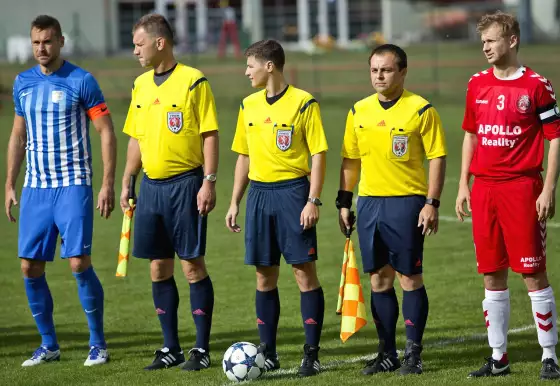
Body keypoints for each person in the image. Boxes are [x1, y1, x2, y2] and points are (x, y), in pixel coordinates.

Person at [5, 15, 117, 367]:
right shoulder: (22, 83)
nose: (42, 48)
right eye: (36, 42)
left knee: (78, 262)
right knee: (29, 267)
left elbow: (106, 131)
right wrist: (9, 182)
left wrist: (107, 184)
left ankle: (98, 344)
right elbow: (18, 136)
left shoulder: (81, 80)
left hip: (73, 184)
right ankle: (48, 345)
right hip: (36, 188)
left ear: (61, 42)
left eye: (48, 41)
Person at [455, 11, 560, 380]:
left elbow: (555, 137)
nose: (485, 47)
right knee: (491, 274)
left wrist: (548, 187)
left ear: (511, 41)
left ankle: (549, 355)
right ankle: (498, 356)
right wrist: (463, 184)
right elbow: (470, 134)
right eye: (482, 41)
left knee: (533, 274)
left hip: (522, 188)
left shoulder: (537, 85)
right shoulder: (476, 83)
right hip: (484, 189)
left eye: (492, 40)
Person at [337, 43, 447, 376]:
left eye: (386, 70)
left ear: (402, 71)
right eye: (374, 70)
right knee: (379, 280)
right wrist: (345, 201)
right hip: (370, 204)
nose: (379, 76)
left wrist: (431, 202)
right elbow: (350, 160)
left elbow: (437, 157)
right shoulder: (359, 111)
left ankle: (413, 353)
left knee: (409, 278)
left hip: (406, 203)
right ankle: (387, 352)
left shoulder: (421, 109)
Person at [120, 13, 219, 371]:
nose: (135, 51)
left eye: (139, 44)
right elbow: (136, 136)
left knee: (192, 266)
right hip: (151, 188)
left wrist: (209, 180)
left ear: (160, 42)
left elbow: (209, 133)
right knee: (158, 268)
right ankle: (170, 348)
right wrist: (128, 178)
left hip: (186, 185)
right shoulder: (140, 85)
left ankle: (201, 349)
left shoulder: (194, 81)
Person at [225, 39, 328, 377]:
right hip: (259, 195)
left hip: (292, 194)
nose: (246, 72)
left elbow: (318, 154)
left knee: (303, 272)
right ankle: (267, 353)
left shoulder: (303, 103)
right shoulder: (248, 105)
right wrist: (234, 201)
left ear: (269, 66)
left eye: (250, 65)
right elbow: (244, 155)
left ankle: (311, 354)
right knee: (263, 274)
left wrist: (312, 199)